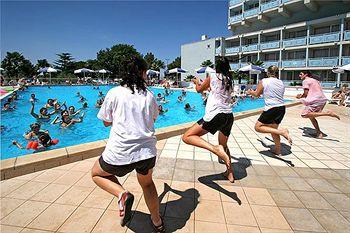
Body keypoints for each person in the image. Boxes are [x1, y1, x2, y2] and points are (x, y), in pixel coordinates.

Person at [91, 55, 164, 231]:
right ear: (142, 73)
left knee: (96, 174)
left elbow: (106, 121)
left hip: (120, 152)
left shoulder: (114, 93)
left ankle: (122, 194)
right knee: (147, 184)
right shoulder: (150, 95)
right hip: (146, 152)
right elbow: (153, 118)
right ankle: (157, 222)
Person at [182, 57, 235, 183]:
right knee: (224, 145)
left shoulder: (212, 76)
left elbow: (199, 90)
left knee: (187, 136)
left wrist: (196, 82)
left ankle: (215, 149)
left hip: (216, 114)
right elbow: (218, 91)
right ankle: (230, 173)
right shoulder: (229, 80)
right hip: (228, 115)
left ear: (217, 66)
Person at [246, 66, 292, 155]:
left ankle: (282, 132)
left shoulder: (264, 81)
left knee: (258, 127)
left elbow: (256, 94)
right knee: (273, 129)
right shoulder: (280, 82)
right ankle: (278, 150)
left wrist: (250, 92)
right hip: (281, 108)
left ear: (267, 72)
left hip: (271, 108)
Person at [296, 71, 340, 138]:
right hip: (322, 99)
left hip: (316, 100)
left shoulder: (305, 81)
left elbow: (306, 94)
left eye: (301, 74)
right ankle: (319, 133)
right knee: (311, 117)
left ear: (306, 74)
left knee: (304, 114)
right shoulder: (315, 80)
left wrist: (300, 96)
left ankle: (328, 113)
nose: (299, 75)